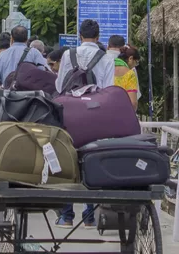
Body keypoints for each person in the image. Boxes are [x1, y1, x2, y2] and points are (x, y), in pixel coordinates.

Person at [55, 20, 115, 228]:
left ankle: (66, 215)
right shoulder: (106, 58)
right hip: (96, 113)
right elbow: (108, 89)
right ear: (98, 37)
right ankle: (89, 216)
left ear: (79, 35)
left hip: (69, 112)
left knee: (67, 159)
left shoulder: (67, 55)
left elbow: (59, 84)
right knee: (92, 159)